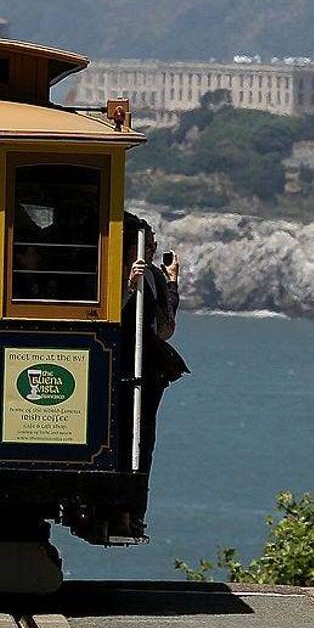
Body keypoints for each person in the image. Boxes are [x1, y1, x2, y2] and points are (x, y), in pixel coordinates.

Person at [118, 213, 189, 537]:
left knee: (143, 439)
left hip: (147, 369)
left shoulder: (156, 279)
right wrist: (128, 287)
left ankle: (133, 511)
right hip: (118, 366)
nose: (150, 253)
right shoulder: (111, 274)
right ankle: (119, 508)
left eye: (153, 246)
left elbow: (165, 327)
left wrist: (171, 282)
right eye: (144, 246)